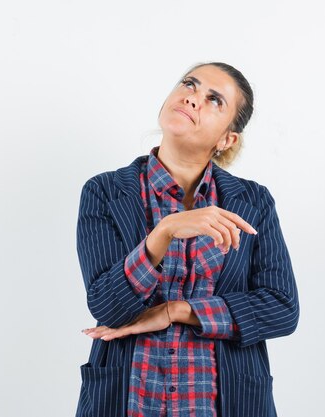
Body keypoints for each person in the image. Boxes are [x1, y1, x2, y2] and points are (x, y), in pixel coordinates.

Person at [75, 62, 300, 417]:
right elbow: (107, 307)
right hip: (129, 399)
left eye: (214, 100)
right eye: (189, 84)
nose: (193, 98)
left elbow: (282, 308)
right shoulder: (105, 192)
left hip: (227, 403)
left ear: (227, 139)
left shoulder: (253, 201)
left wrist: (178, 311)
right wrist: (164, 232)